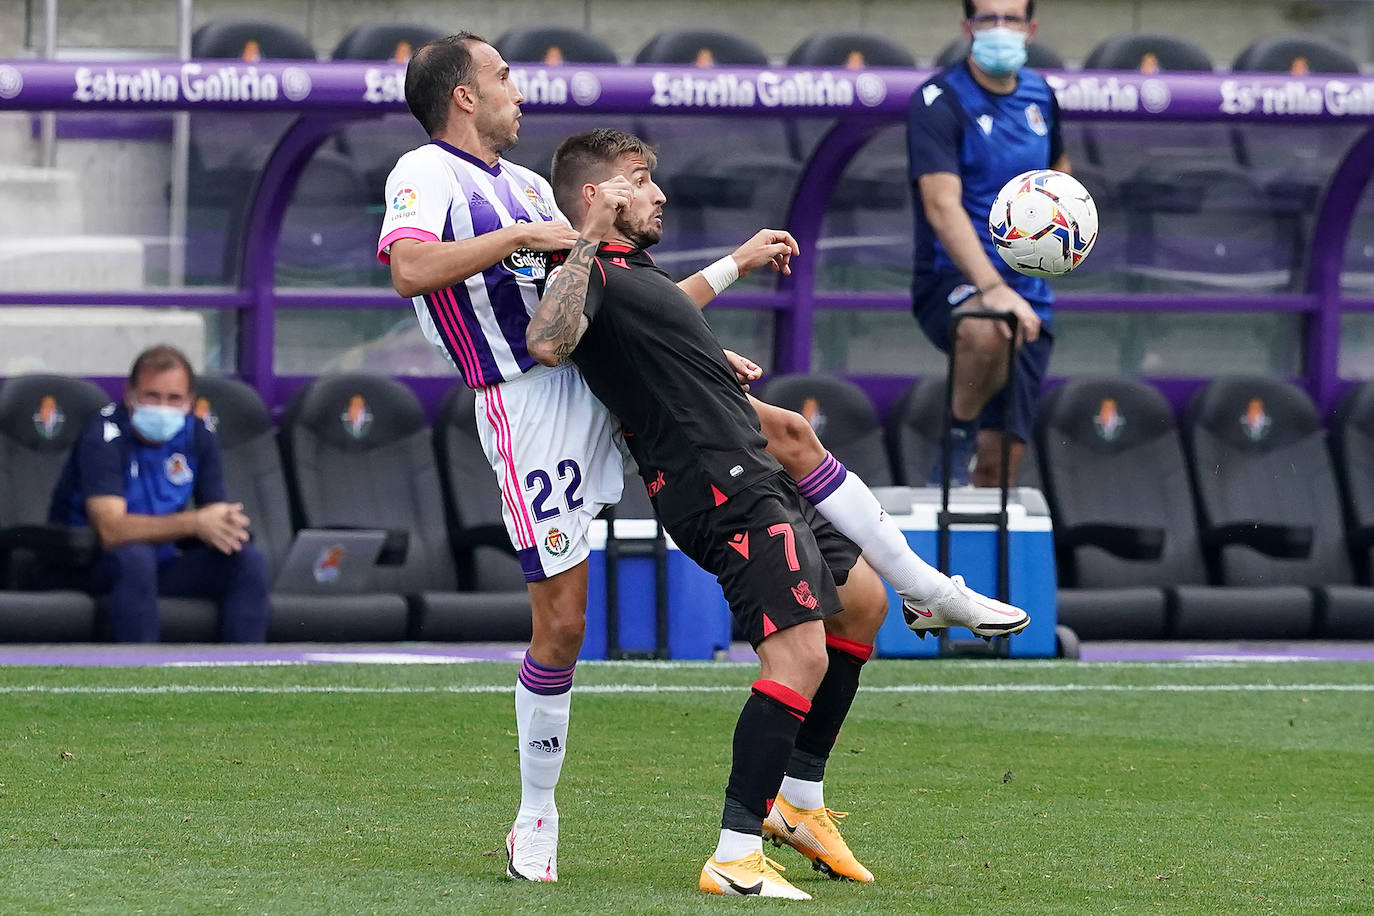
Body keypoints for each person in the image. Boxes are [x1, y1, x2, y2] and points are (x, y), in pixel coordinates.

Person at [383, 34, 1027, 886]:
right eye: (500, 76)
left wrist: (695, 338)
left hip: (595, 379)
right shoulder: (424, 172)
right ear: (463, 96)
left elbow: (616, 306)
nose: (516, 88)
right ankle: (535, 817)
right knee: (565, 623)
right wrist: (526, 238)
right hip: (526, 401)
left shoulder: (532, 184)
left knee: (790, 433)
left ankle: (926, 591)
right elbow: (412, 271)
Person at [529, 128, 1029, 898]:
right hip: (718, 486)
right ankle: (733, 856)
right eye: (639, 179)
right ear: (597, 197)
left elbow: (659, 316)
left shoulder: (634, 274)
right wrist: (586, 242)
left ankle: (799, 801)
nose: (658, 192)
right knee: (799, 658)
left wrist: (734, 264)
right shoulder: (587, 268)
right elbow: (550, 340)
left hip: (749, 466)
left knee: (859, 605)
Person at [907, 0, 1068, 486]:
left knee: (1001, 469)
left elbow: (1059, 174)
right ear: (968, 27)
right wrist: (993, 286)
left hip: (1031, 286)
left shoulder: (1042, 94)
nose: (1000, 29)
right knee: (991, 325)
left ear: (1031, 28)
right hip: (953, 278)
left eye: (1011, 19)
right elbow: (940, 204)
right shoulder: (939, 99)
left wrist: (1064, 235)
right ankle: (957, 437)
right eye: (988, 19)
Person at [47, 344, 270, 643]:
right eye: (152, 396)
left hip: (159, 565)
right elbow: (111, 530)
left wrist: (226, 525)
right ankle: (143, 679)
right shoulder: (104, 435)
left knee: (246, 561)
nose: (162, 408)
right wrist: (194, 523)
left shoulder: (198, 434)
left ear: (190, 402)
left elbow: (214, 516)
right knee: (134, 557)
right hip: (91, 566)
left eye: (174, 398)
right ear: (130, 395)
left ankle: (245, 680)